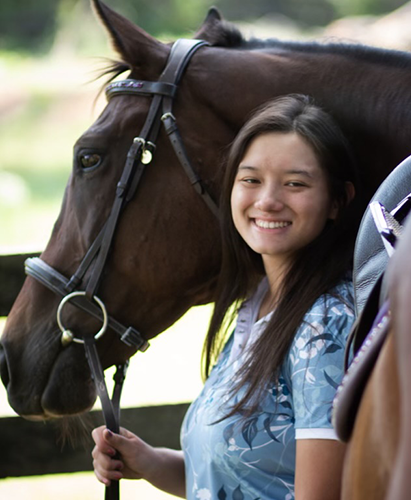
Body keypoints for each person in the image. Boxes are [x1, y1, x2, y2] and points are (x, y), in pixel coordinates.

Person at [92, 94, 359, 500]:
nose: (267, 200)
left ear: (337, 201)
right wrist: (147, 461)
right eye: (251, 179)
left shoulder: (324, 323)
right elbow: (234, 481)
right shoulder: (259, 304)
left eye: (295, 184)